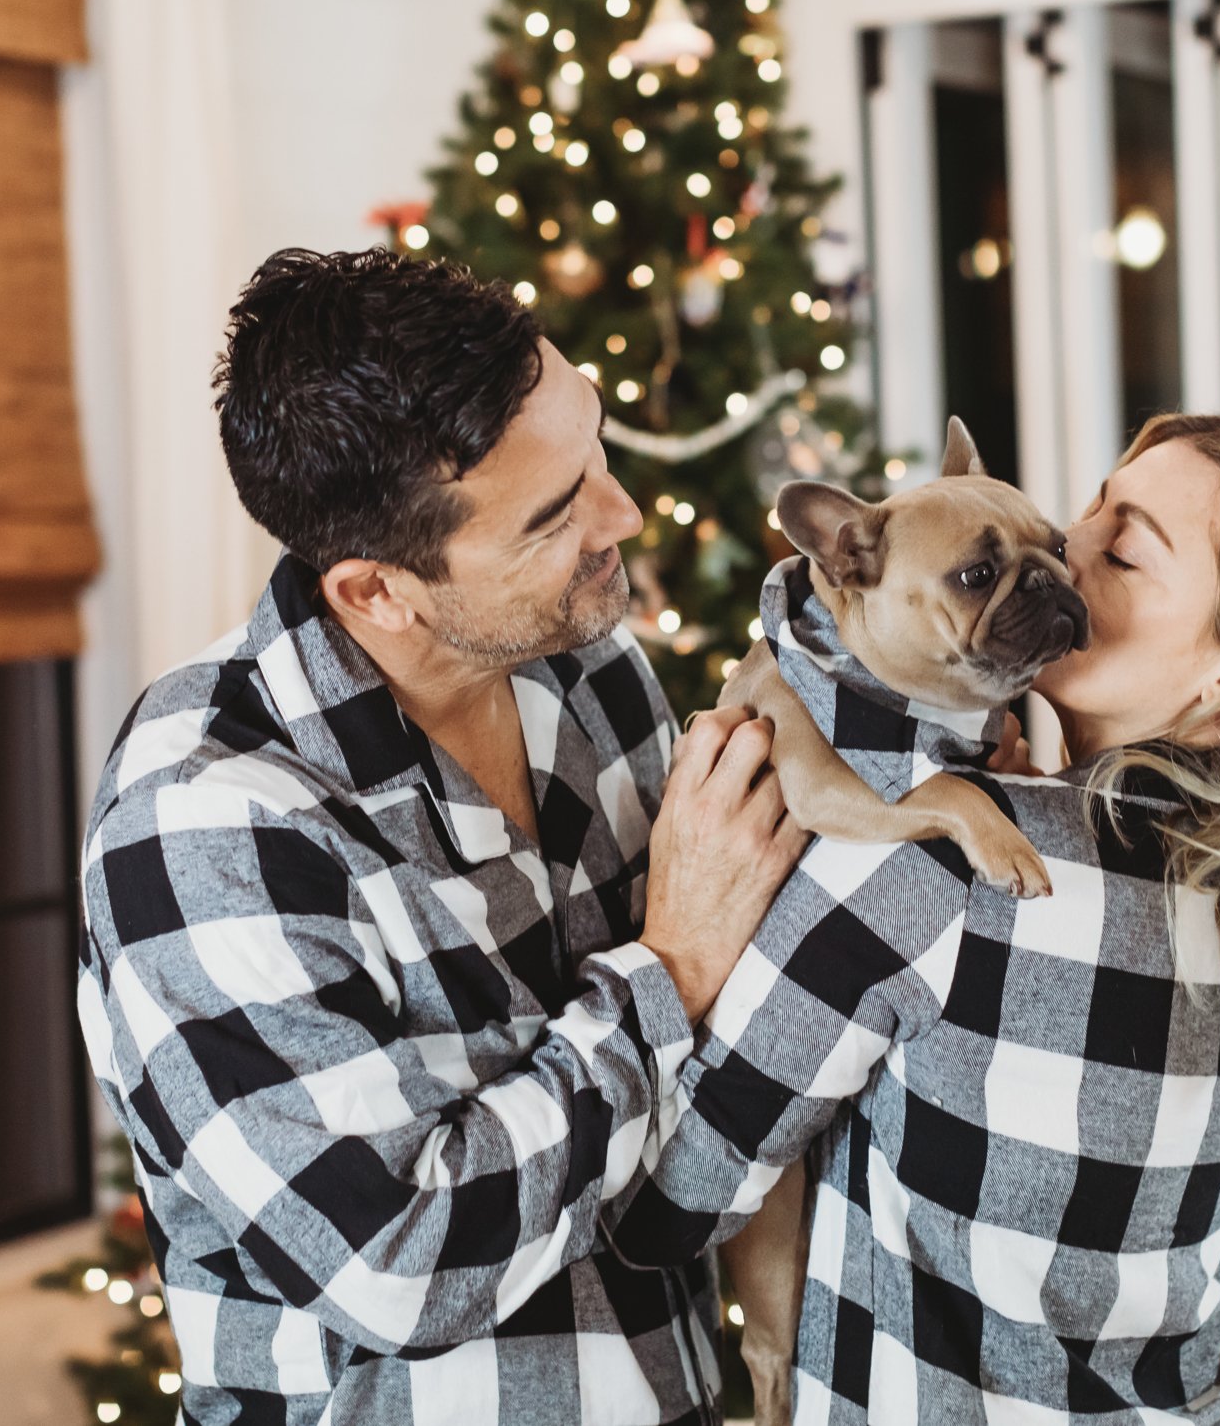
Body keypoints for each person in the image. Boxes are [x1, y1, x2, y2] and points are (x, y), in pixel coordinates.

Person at [76, 248, 806, 1426]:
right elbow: (398, 1262)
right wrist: (666, 974)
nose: (624, 514)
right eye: (554, 512)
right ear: (375, 590)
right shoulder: (204, 818)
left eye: (596, 450)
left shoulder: (589, 668)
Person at [614, 414, 1220, 1424]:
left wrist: (673, 937)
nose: (1069, 557)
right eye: (1084, 512)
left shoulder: (943, 861)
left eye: (1123, 548)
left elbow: (667, 1202)